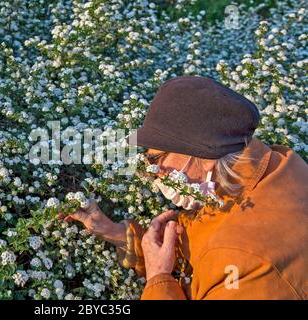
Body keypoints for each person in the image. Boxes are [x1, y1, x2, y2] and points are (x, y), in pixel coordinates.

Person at [59, 76, 308, 300]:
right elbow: (208, 242)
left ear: (206, 155)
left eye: (156, 159)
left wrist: (159, 279)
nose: (151, 172)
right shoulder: (279, 167)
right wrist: (112, 231)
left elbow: (226, 252)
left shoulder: (245, 261)